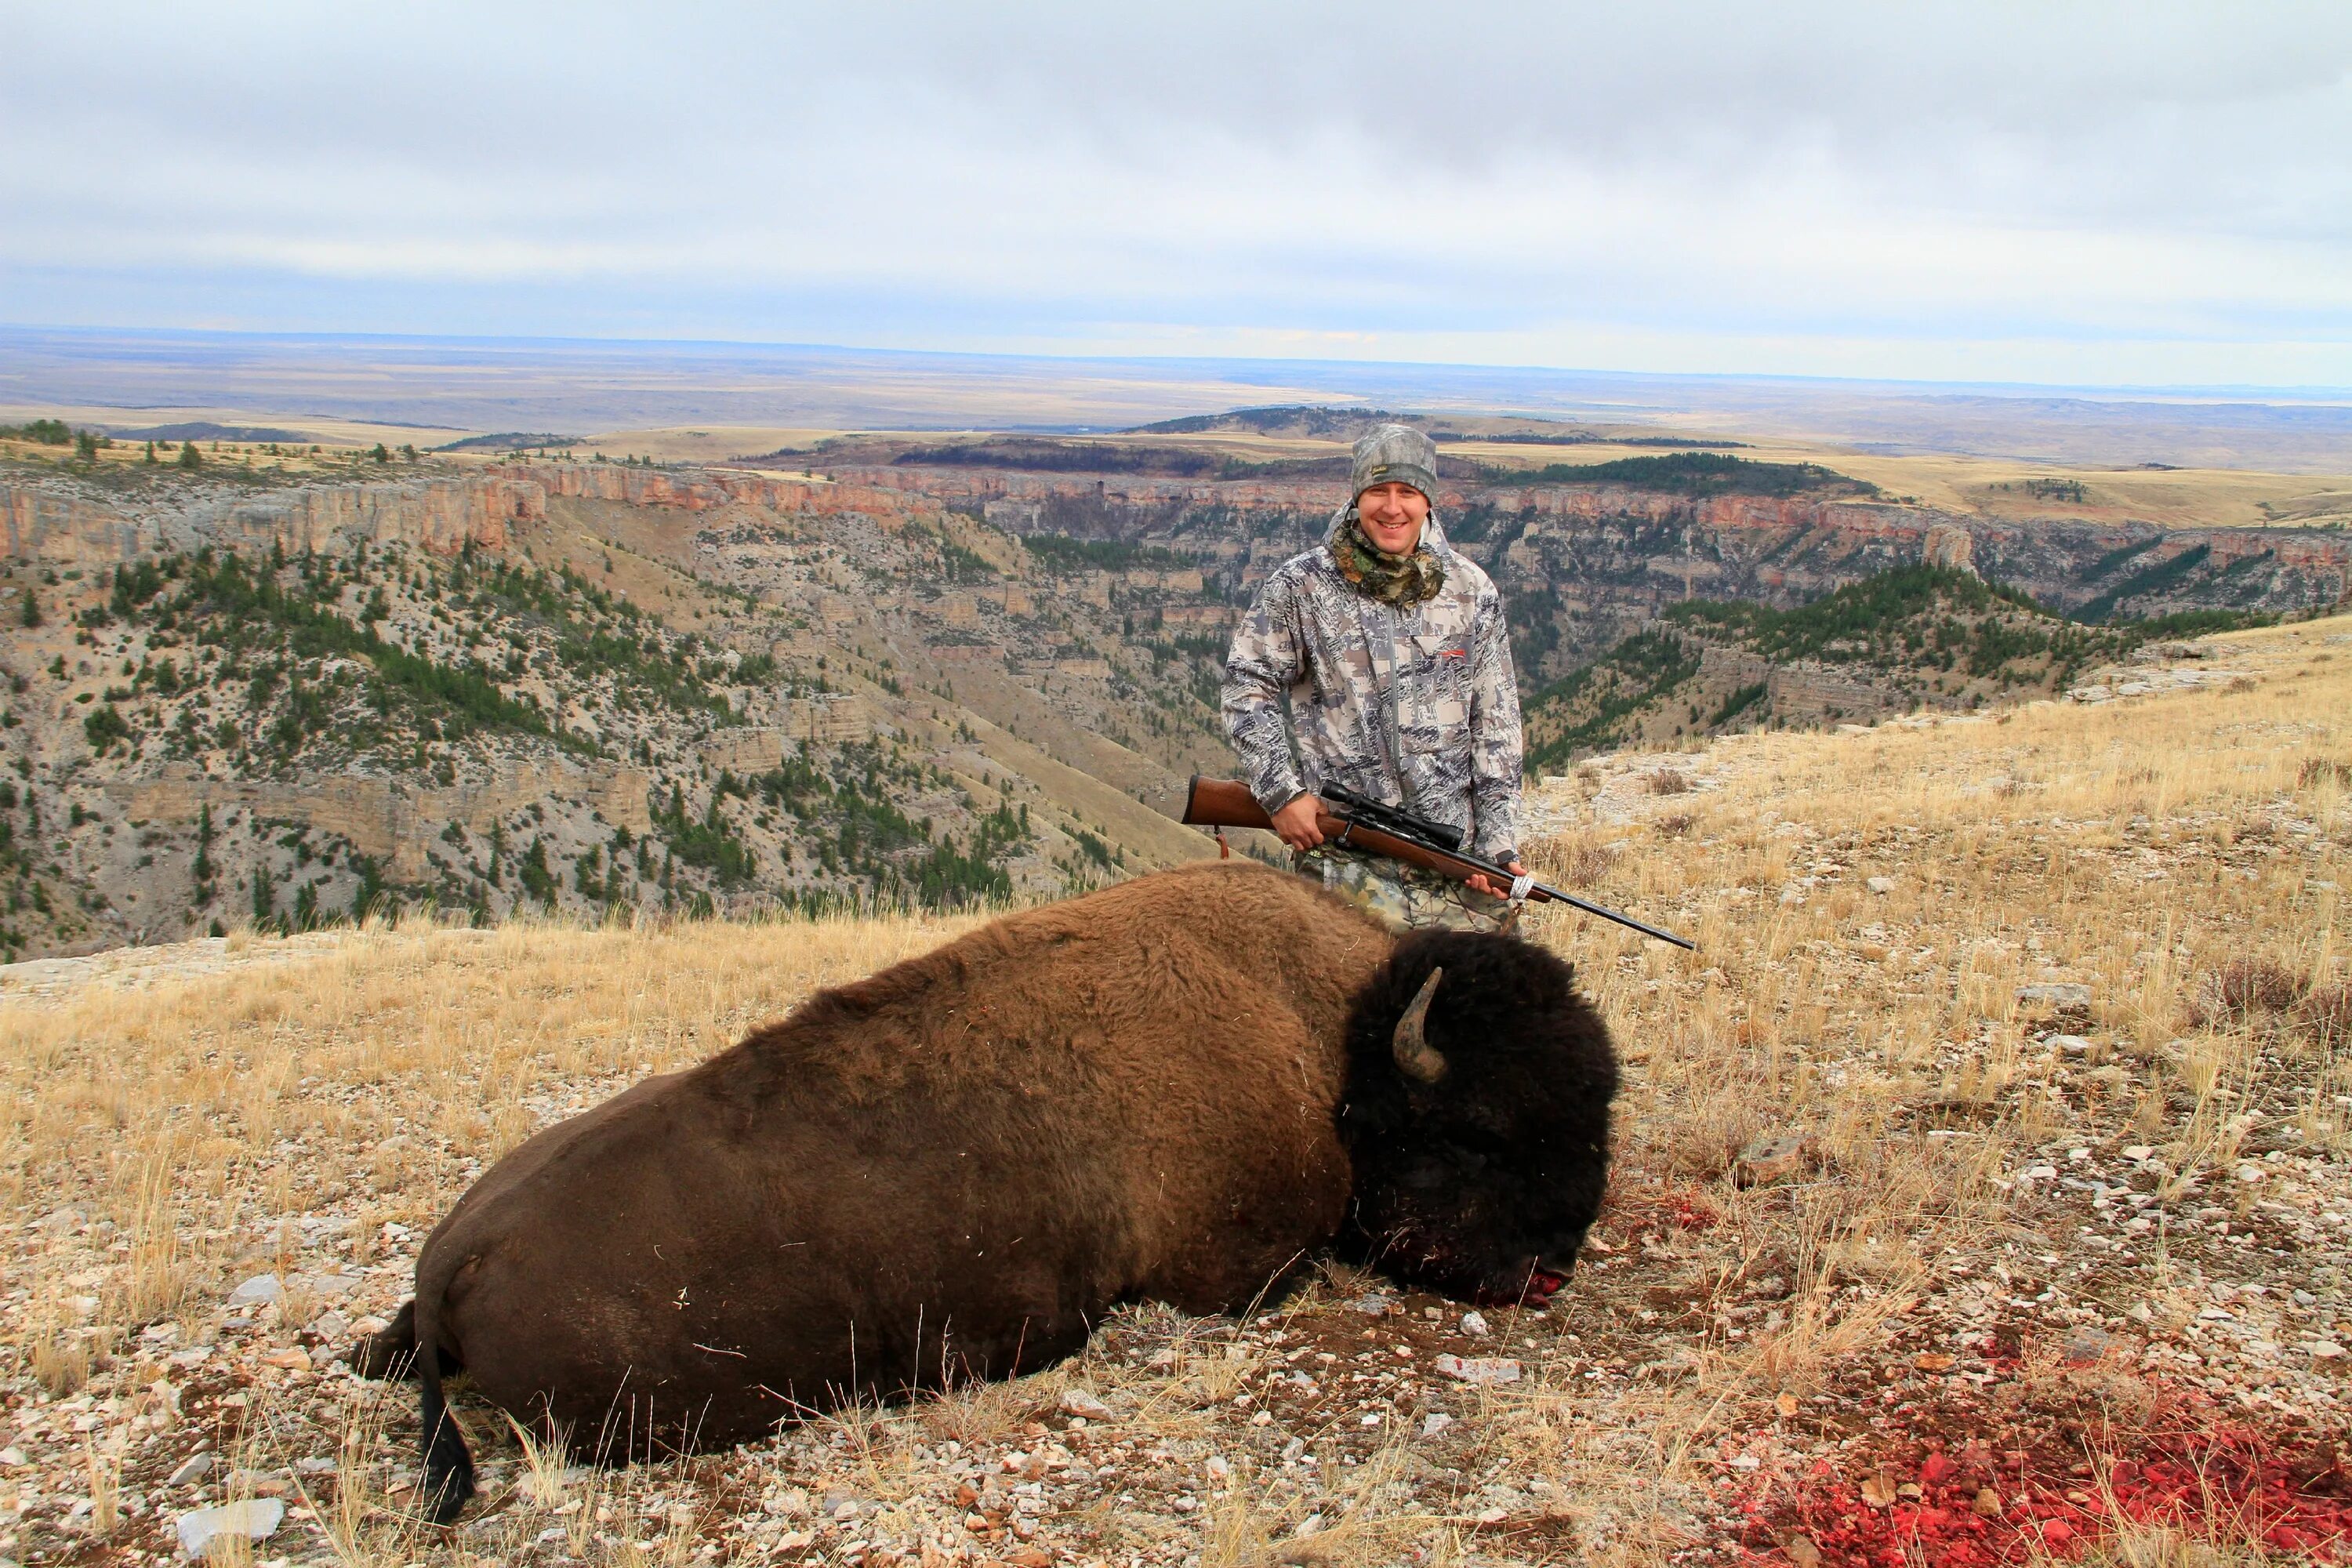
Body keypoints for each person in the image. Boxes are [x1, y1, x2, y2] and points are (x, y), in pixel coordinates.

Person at [1222, 423, 1526, 931]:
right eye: (1377, 491)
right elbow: (1246, 688)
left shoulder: (1472, 591)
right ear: (1356, 496)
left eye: (1407, 492)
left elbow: (1496, 726)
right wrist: (1282, 794)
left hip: (1454, 853)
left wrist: (1497, 845)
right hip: (1343, 854)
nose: (1392, 508)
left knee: (1486, 1001)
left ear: (1428, 500)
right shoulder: (1301, 586)